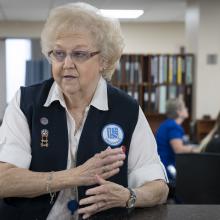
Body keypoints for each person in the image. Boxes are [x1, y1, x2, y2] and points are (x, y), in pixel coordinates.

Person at [0, 2, 168, 220]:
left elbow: (158, 187)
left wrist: (129, 196)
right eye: (58, 53)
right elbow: (3, 180)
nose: (67, 63)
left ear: (104, 60)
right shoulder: (27, 102)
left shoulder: (127, 109)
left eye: (79, 54)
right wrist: (74, 176)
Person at [155, 98, 198, 182]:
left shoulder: (167, 124)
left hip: (162, 167)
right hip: (169, 168)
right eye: (184, 107)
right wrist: (195, 149)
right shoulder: (174, 126)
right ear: (178, 111)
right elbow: (178, 149)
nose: (187, 109)